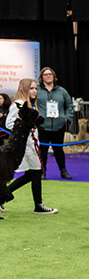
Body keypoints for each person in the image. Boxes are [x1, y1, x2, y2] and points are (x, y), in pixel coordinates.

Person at [3, 78, 58, 214]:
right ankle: (38, 205)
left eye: (35, 88)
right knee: (36, 172)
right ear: (25, 89)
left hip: (30, 144)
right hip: (25, 145)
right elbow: (9, 123)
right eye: (31, 88)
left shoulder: (29, 104)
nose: (34, 91)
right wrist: (27, 128)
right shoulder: (19, 105)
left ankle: (2, 197)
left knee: (31, 174)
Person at [37, 67, 75, 179]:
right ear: (41, 77)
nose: (48, 76)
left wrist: (67, 118)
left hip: (59, 126)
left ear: (54, 76)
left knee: (59, 150)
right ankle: (42, 172)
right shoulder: (37, 91)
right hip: (43, 126)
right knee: (42, 151)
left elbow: (69, 105)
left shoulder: (62, 91)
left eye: (50, 74)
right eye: (45, 74)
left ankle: (63, 171)